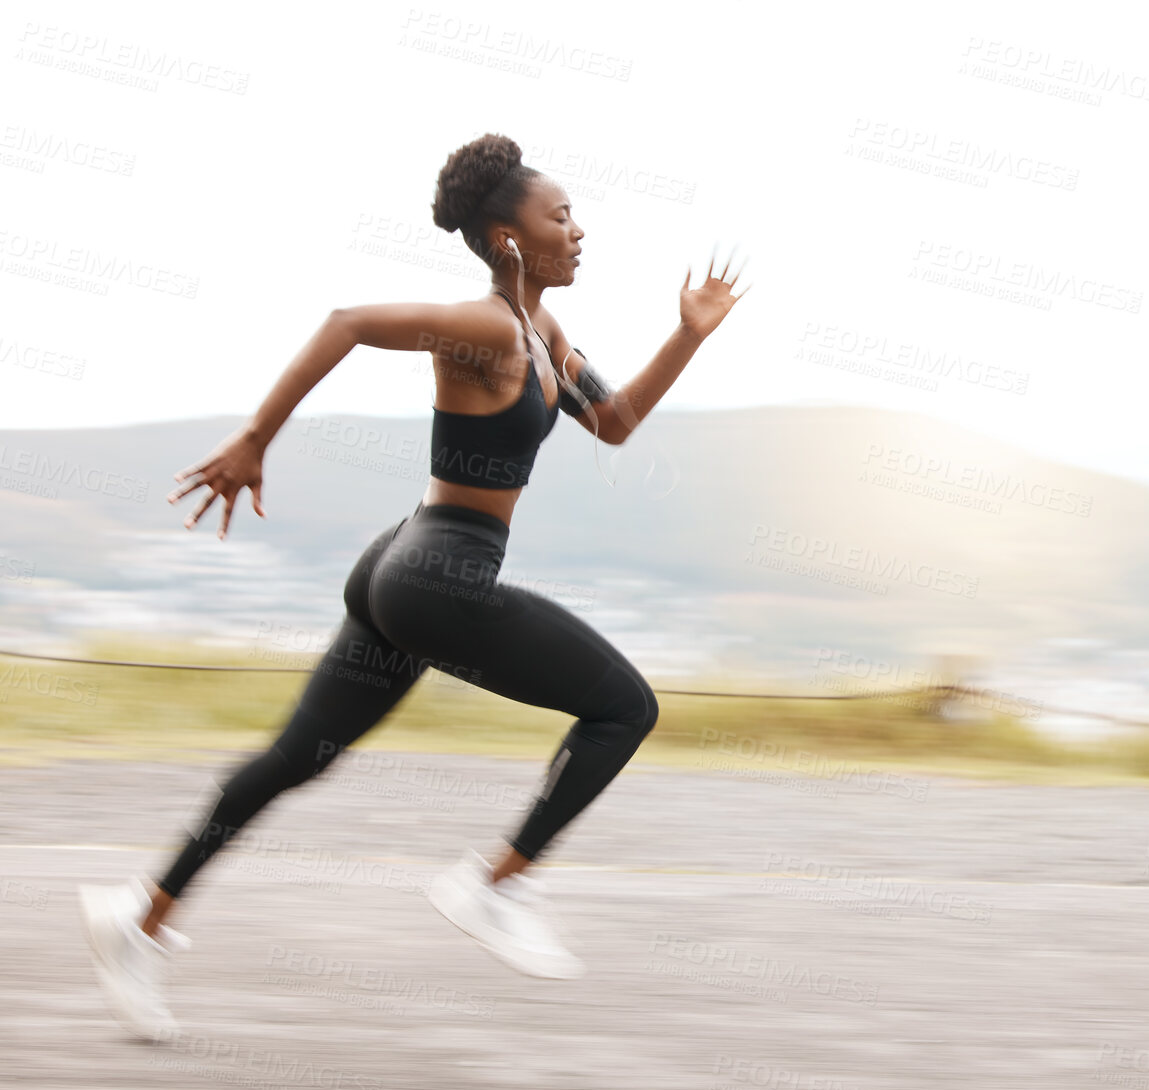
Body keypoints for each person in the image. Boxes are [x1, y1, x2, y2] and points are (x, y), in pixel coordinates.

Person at [77, 132, 749, 1041]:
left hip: (404, 565)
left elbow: (616, 420)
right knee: (625, 708)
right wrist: (253, 440)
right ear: (508, 239)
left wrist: (688, 333)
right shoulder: (485, 329)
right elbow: (349, 321)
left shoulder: (543, 336)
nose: (578, 231)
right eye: (559, 217)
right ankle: (493, 883)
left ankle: (140, 915)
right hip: (437, 574)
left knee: (297, 758)